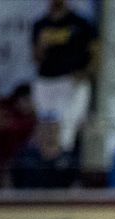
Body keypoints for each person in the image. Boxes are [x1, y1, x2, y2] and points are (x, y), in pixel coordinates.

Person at [31, 0, 99, 148]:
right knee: (45, 124)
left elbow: (95, 52)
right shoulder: (41, 24)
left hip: (72, 80)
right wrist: (42, 45)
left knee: (67, 129)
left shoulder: (81, 23)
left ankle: (63, 161)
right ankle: (46, 159)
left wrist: (87, 73)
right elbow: (36, 58)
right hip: (46, 80)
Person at [10, 115, 81, 188]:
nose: (50, 133)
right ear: (38, 131)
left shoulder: (69, 159)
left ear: (58, 131)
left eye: (53, 130)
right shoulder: (25, 156)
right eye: (46, 129)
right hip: (29, 198)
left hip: (60, 198)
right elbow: (13, 180)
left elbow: (75, 184)